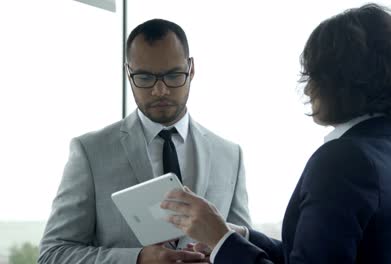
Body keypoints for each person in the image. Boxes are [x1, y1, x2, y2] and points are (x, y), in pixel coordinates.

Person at [161, 3, 391, 263]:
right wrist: (236, 236)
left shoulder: (343, 160)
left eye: (313, 75)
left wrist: (219, 240)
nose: (307, 90)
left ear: (343, 79)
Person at [38, 18, 251, 264]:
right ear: (128, 73)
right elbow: (53, 255)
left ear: (191, 69)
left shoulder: (230, 156)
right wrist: (137, 260)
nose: (160, 90)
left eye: (173, 75)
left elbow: (245, 252)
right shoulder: (90, 152)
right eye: (145, 78)